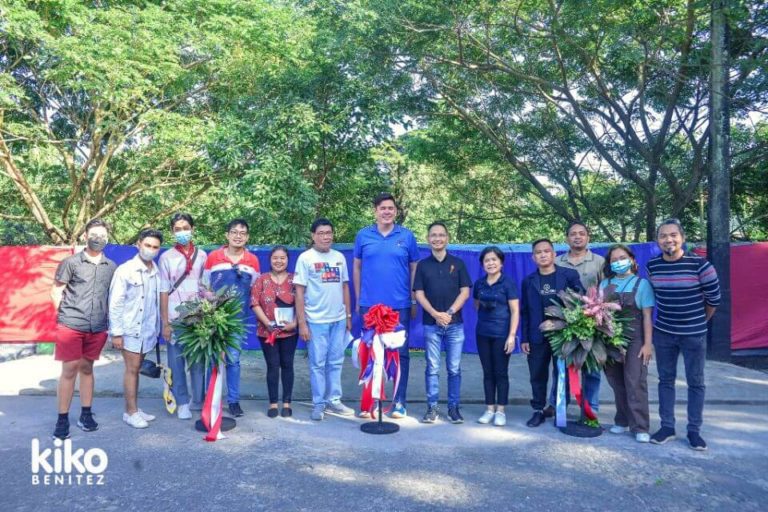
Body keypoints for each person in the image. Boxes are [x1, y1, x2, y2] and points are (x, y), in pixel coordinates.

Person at [647, 218, 721, 450]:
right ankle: (667, 427)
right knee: (665, 380)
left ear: (682, 238)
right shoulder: (653, 266)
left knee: (695, 382)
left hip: (694, 335)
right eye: (663, 236)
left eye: (673, 235)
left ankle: (693, 431)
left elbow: (714, 300)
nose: (668, 239)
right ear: (657, 240)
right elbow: (653, 300)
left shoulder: (701, 266)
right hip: (664, 333)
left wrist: (698, 321)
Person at [353, 193, 420, 418]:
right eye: (383, 208)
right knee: (370, 352)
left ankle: (399, 402)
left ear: (396, 211)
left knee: (400, 354)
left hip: (399, 306)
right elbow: (357, 268)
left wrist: (412, 299)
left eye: (391, 208)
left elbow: (413, 269)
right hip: (369, 305)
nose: (387, 212)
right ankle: (370, 403)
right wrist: (358, 298)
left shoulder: (407, 236)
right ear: (375, 211)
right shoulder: (363, 235)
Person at [51, 219, 117, 440]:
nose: (98, 238)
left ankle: (86, 414)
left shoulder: (111, 268)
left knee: (87, 369)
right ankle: (62, 419)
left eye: (102, 234)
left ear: (107, 238)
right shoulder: (71, 262)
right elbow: (56, 291)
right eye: (94, 234)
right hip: (71, 324)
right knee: (69, 370)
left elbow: (112, 298)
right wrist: (60, 320)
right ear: (85, 236)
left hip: (97, 327)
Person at [295, 219, 354, 421]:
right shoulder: (305, 258)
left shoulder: (339, 257)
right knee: (317, 364)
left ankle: (334, 400)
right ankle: (318, 403)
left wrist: (348, 315)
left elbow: (345, 287)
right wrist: (302, 323)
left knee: (336, 362)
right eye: (321, 233)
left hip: (338, 320)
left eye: (329, 232)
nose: (326, 236)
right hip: (316, 322)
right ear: (313, 236)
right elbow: (299, 292)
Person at [521, 238, 583, 428]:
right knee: (537, 374)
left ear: (554, 254)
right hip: (537, 336)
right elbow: (524, 311)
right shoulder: (528, 281)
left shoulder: (569, 275)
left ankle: (559, 409)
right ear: (533, 257)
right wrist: (524, 337)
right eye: (538, 252)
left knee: (562, 373)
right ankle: (538, 410)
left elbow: (580, 303)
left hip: (563, 335)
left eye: (546, 251)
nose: (543, 254)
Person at [413, 222, 471, 424]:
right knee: (432, 368)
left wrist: (448, 313)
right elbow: (418, 293)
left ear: (447, 238)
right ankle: (432, 407)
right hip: (431, 325)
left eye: (441, 235)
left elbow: (465, 291)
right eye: (433, 235)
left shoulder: (459, 263)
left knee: (454, 369)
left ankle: (454, 408)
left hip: (455, 325)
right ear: (428, 239)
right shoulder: (422, 265)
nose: (437, 238)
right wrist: (435, 314)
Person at [202, 219, 261, 418]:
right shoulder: (213, 257)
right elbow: (203, 286)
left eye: (242, 233)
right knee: (213, 360)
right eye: (234, 232)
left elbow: (255, 289)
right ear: (227, 235)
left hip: (238, 321)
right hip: (214, 319)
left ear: (247, 237)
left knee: (234, 361)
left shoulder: (252, 260)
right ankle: (211, 399)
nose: (238, 236)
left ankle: (233, 401)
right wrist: (208, 299)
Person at [599, 244, 655, 443]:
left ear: (632, 259)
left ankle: (640, 426)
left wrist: (648, 344)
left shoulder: (642, 284)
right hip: (610, 339)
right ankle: (621, 420)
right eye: (614, 260)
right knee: (616, 382)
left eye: (622, 258)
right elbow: (599, 313)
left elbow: (647, 316)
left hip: (635, 339)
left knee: (635, 381)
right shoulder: (604, 284)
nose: (618, 262)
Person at [109, 229, 163, 429]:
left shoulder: (156, 272)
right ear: (139, 244)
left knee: (136, 369)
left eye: (155, 247)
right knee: (131, 370)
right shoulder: (126, 270)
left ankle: (134, 408)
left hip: (147, 331)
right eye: (147, 245)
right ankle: (130, 412)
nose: (150, 250)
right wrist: (116, 332)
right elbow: (115, 302)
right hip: (130, 329)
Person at [551, 221, 605, 418]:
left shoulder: (599, 262)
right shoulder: (557, 262)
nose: (577, 237)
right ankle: (558, 408)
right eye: (573, 234)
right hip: (564, 323)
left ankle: (591, 411)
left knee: (592, 369)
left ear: (588, 237)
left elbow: (606, 290)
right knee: (561, 369)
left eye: (582, 233)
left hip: (593, 324)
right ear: (567, 238)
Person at [159, 213, 207, 420]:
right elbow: (163, 291)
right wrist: (165, 323)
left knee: (198, 362)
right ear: (172, 232)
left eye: (185, 228)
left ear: (193, 229)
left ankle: (198, 400)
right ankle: (183, 402)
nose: (182, 232)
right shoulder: (166, 257)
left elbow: (205, 288)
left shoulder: (203, 255)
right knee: (176, 362)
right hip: (175, 318)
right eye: (177, 229)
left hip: (198, 318)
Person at [473, 246, 520, 427]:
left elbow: (515, 311)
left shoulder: (508, 283)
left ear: (501, 262)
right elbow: (476, 304)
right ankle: (489, 409)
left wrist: (511, 335)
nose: (490, 263)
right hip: (482, 334)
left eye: (494, 259)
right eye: (487, 260)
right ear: (482, 264)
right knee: (487, 372)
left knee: (501, 373)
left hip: (502, 335)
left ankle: (500, 410)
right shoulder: (479, 284)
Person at [252, 245, 297, 418]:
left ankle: (286, 403)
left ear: (287, 260)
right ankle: (272, 403)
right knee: (272, 366)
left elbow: (303, 303)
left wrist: (294, 323)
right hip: (267, 332)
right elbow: (254, 303)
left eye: (282, 258)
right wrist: (267, 323)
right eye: (275, 258)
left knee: (287, 365)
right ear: (270, 260)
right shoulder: (261, 279)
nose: (279, 261)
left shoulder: (295, 280)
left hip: (289, 332)